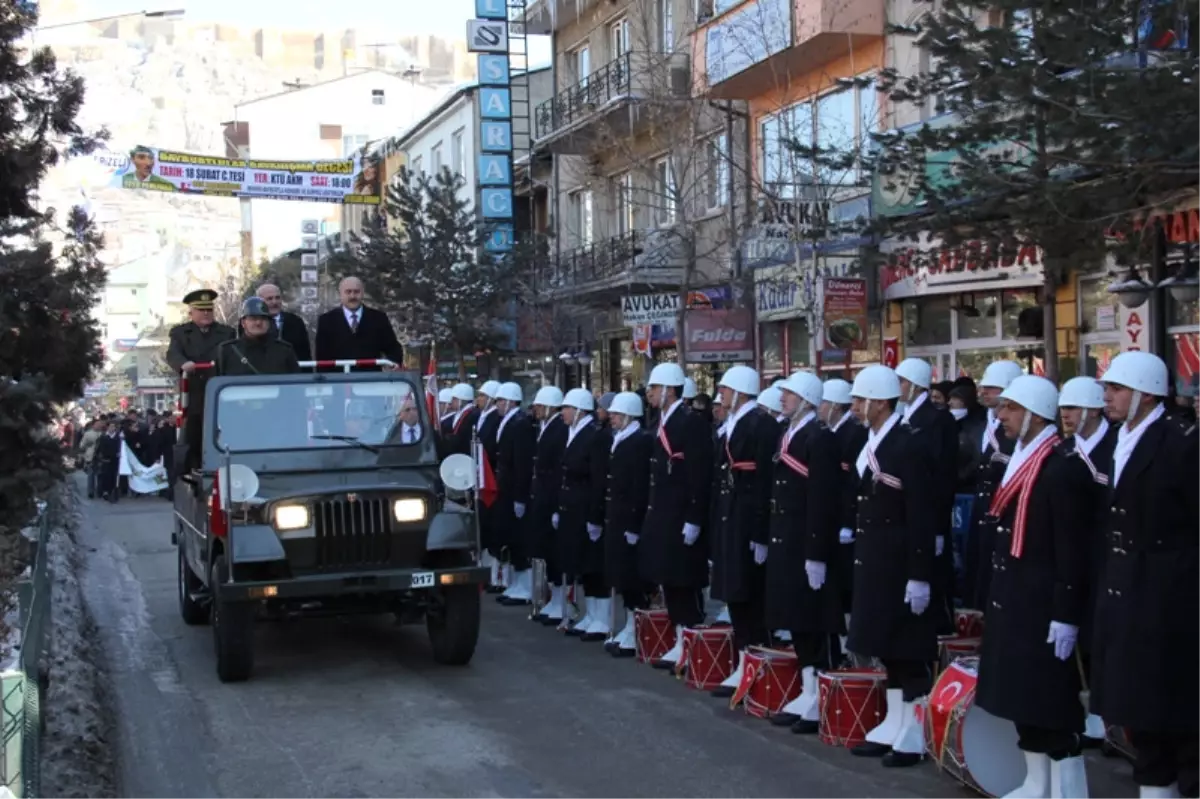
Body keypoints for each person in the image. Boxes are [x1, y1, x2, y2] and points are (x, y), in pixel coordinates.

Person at [973, 375, 1093, 797]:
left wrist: (1066, 612)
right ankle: (1035, 779)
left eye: (1010, 408)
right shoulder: (1018, 457)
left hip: (1043, 599)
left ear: (1032, 415)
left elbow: (1072, 548)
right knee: (1020, 695)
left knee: (1048, 697)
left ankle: (1066, 784)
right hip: (1015, 595)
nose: (1000, 415)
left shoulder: (1062, 468)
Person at [1092, 351, 1200, 799]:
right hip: (1125, 585)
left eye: (1116, 389)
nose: (1108, 398)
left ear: (1145, 393)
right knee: (1136, 698)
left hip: (1169, 591)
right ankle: (1154, 784)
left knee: (1171, 698)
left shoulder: (1181, 442)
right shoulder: (1118, 439)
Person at [844, 365, 936, 768]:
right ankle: (895, 720)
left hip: (899, 558)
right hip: (875, 554)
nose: (855, 407)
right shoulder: (874, 439)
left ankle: (914, 728)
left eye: (860, 400)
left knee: (907, 647)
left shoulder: (908, 443)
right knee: (886, 643)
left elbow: (921, 513)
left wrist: (920, 574)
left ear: (880, 402)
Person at [766, 371, 843, 733]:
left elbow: (821, 499)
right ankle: (806, 686)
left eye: (789, 394)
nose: (783, 398)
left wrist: (816, 552)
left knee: (813, 619)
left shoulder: (819, 438)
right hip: (786, 538)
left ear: (808, 399)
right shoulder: (790, 432)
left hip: (805, 540)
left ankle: (819, 693)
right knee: (796, 616)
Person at [709, 365, 780, 699]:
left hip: (748, 514)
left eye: (725, 390)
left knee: (750, 592)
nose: (720, 396)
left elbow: (765, 480)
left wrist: (760, 531)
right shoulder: (733, 423)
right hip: (731, 511)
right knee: (735, 592)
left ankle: (756, 658)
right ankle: (742, 659)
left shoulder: (762, 424)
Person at [639, 363, 713, 671]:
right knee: (669, 577)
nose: (650, 393)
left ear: (669, 390)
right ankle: (680, 637)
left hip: (682, 513)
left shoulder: (690, 422)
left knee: (684, 580)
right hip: (664, 511)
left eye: (654, 388)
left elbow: (699, 472)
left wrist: (695, 517)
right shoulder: (661, 420)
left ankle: (692, 641)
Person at [1056, 376, 1114, 746]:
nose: (1066, 415)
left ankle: (1107, 714)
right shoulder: (1064, 450)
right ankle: (1087, 707)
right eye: (1063, 408)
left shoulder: (1113, 446)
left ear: (1093, 409)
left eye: (1074, 408)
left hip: (1108, 554)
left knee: (1104, 634)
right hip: (1070, 554)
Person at [895, 358, 958, 635]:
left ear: (915, 385)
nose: (898, 388)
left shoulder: (938, 419)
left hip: (931, 512)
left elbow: (942, 475)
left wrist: (939, 525)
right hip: (909, 513)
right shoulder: (904, 417)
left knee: (935, 579)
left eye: (902, 382)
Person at [964, 360, 1025, 611]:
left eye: (993, 388)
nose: (984, 392)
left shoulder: (1014, 428)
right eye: (984, 386)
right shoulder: (977, 421)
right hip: (981, 503)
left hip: (1001, 503)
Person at [557, 388, 611, 640]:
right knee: (580, 561)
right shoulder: (574, 433)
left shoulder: (594, 437)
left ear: (579, 409)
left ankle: (602, 616)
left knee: (593, 563)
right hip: (572, 506)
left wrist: (595, 515)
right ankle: (590, 612)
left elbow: (598, 479)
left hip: (586, 506)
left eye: (566, 408)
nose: (563, 413)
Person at [603, 391, 654, 658]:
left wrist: (634, 524)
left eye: (615, 414)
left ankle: (637, 630)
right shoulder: (622, 439)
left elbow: (638, 486)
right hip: (617, 516)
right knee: (620, 575)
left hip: (628, 518)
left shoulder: (638, 442)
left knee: (632, 577)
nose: (611, 417)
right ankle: (629, 626)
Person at [166, 289, 236, 472]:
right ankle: (195, 472)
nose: (206, 313)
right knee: (194, 436)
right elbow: (173, 354)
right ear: (191, 312)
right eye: (201, 310)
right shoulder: (180, 333)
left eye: (209, 310)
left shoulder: (227, 333)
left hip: (221, 393)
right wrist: (183, 364)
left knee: (224, 433)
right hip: (195, 393)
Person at [821, 377, 866, 647]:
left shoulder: (853, 433)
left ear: (836, 406)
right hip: (834, 513)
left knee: (847, 579)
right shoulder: (833, 431)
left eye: (824, 402)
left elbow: (851, 480)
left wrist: (848, 520)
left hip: (847, 515)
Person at [528, 386, 569, 626]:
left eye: (539, 406)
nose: (535, 410)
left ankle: (562, 597)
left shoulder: (559, 430)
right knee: (545, 547)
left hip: (551, 495)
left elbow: (556, 470)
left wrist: (555, 505)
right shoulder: (545, 427)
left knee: (554, 550)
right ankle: (554, 596)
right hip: (542, 494)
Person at [493, 382, 536, 606]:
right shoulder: (509, 422)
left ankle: (526, 585)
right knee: (510, 537)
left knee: (520, 539)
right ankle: (518, 583)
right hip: (506, 488)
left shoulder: (520, 425)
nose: (498, 405)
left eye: (501, 401)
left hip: (514, 490)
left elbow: (522, 464)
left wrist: (520, 496)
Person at [313, 277, 403, 369]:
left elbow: (393, 348)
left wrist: (393, 363)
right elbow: (322, 357)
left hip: (371, 379)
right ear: (340, 294)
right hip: (338, 380)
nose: (352, 296)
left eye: (356, 292)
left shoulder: (378, 318)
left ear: (362, 293)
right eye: (348, 292)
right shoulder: (326, 320)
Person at [216, 297, 301, 377]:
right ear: (243, 323)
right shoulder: (228, 351)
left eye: (263, 318)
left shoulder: (284, 350)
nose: (258, 323)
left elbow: (295, 383)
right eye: (253, 318)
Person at [475, 381, 505, 592]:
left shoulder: (494, 418)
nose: (479, 399)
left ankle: (495, 574)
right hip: (481, 478)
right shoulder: (484, 417)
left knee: (494, 529)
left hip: (491, 479)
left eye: (483, 396)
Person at [255, 283, 312, 362]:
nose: (275, 302)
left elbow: (305, 354)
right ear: (259, 302)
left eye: (277, 298)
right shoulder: (251, 324)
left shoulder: (296, 322)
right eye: (269, 299)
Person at [442, 383, 477, 457]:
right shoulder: (461, 413)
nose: (451, 402)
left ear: (461, 400)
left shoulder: (472, 414)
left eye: (454, 399)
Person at [94, 420, 122, 502]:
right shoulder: (103, 437)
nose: (111, 428)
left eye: (113, 427)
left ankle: (113, 491)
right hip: (106, 460)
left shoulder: (118, 438)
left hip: (115, 460)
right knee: (106, 476)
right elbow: (99, 448)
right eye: (110, 426)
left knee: (114, 476)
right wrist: (100, 457)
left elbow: (120, 448)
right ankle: (105, 491)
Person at [79, 419, 103, 498]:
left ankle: (100, 491)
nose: (99, 425)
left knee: (100, 475)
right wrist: (87, 445)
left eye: (100, 424)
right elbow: (82, 445)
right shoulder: (88, 434)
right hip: (91, 457)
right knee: (91, 475)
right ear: (93, 425)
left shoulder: (103, 434)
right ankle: (91, 492)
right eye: (97, 424)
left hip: (100, 457)